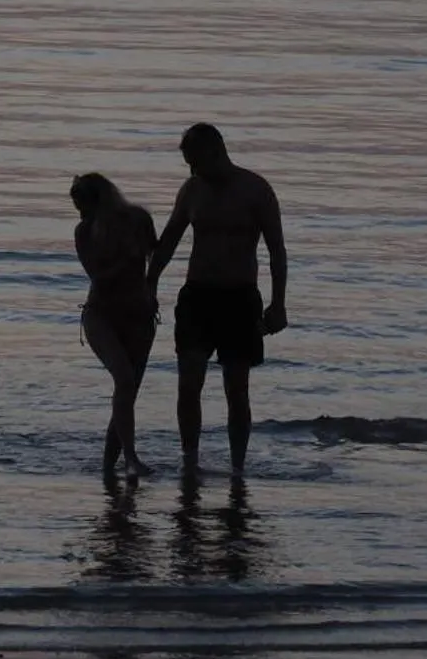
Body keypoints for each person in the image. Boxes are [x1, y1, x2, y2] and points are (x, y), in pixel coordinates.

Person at [147, 124, 287, 474]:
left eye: (196, 161)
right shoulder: (192, 191)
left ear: (217, 151)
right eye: (188, 164)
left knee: (236, 389)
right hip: (198, 297)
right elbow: (168, 241)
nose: (193, 170)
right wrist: (149, 285)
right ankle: (189, 461)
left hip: (240, 299)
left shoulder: (256, 190)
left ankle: (237, 467)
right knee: (188, 384)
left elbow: (276, 250)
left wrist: (278, 303)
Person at [71, 172, 159, 477]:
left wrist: (152, 291)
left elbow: (156, 258)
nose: (80, 214)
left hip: (139, 314)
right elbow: (97, 275)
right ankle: (131, 458)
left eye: (83, 206)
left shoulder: (138, 219)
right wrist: (127, 259)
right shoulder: (84, 232)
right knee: (123, 379)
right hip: (100, 314)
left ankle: (109, 468)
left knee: (128, 391)